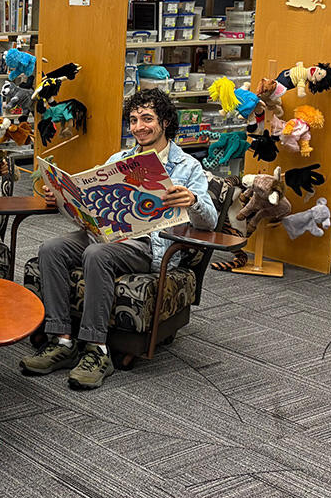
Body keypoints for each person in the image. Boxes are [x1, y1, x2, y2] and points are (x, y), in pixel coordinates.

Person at [20, 88, 217, 390]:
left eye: (147, 118)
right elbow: (93, 202)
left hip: (148, 245)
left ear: (165, 121)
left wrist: (192, 200)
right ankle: (61, 340)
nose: (139, 127)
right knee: (51, 249)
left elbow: (210, 222)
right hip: (105, 233)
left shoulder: (187, 166)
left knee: (98, 254)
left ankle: (97, 351)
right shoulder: (120, 159)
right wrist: (62, 196)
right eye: (134, 120)